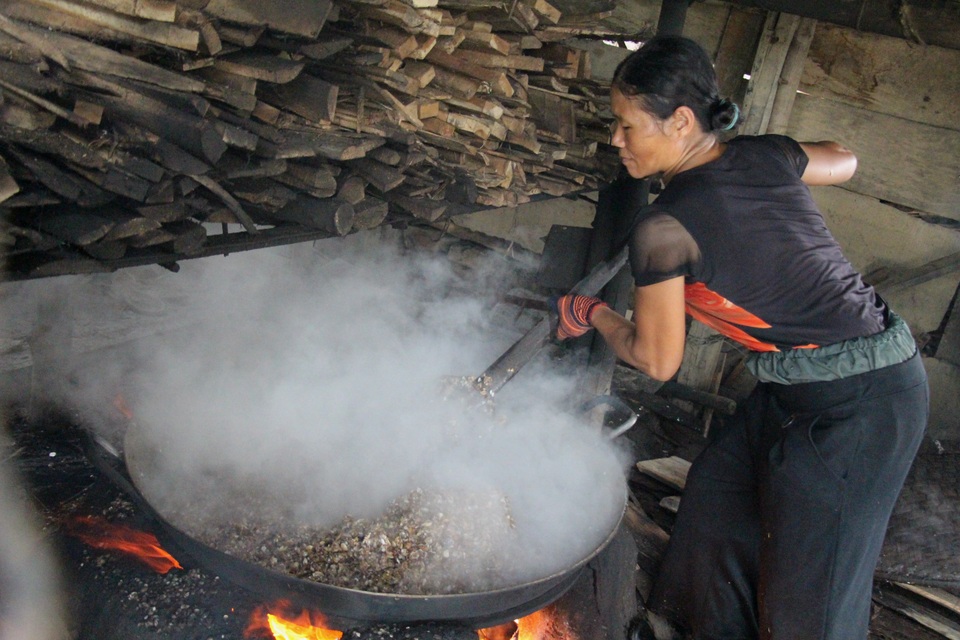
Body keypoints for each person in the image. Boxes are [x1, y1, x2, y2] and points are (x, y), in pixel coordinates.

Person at [552, 35, 929, 640]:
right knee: (717, 502)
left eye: (626, 126)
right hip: (795, 385)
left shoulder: (664, 228)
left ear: (679, 122)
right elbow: (844, 158)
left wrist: (591, 312)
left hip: (862, 401)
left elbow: (657, 360)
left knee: (814, 596)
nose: (615, 140)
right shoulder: (762, 154)